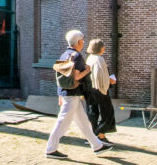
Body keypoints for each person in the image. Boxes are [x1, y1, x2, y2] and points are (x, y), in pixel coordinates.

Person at [45, 30, 113, 160]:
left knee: (84, 123)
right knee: (63, 122)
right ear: (78, 42)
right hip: (72, 94)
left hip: (67, 93)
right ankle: (51, 149)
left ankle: (97, 146)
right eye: (82, 40)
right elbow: (76, 76)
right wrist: (88, 70)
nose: (83, 42)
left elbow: (63, 76)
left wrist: (60, 94)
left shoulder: (65, 54)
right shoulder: (76, 56)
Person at [86, 39, 117, 143]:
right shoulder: (99, 59)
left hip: (90, 89)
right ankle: (98, 135)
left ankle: (94, 136)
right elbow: (101, 77)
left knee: (93, 112)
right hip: (100, 89)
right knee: (108, 113)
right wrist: (110, 81)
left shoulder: (90, 58)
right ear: (102, 48)